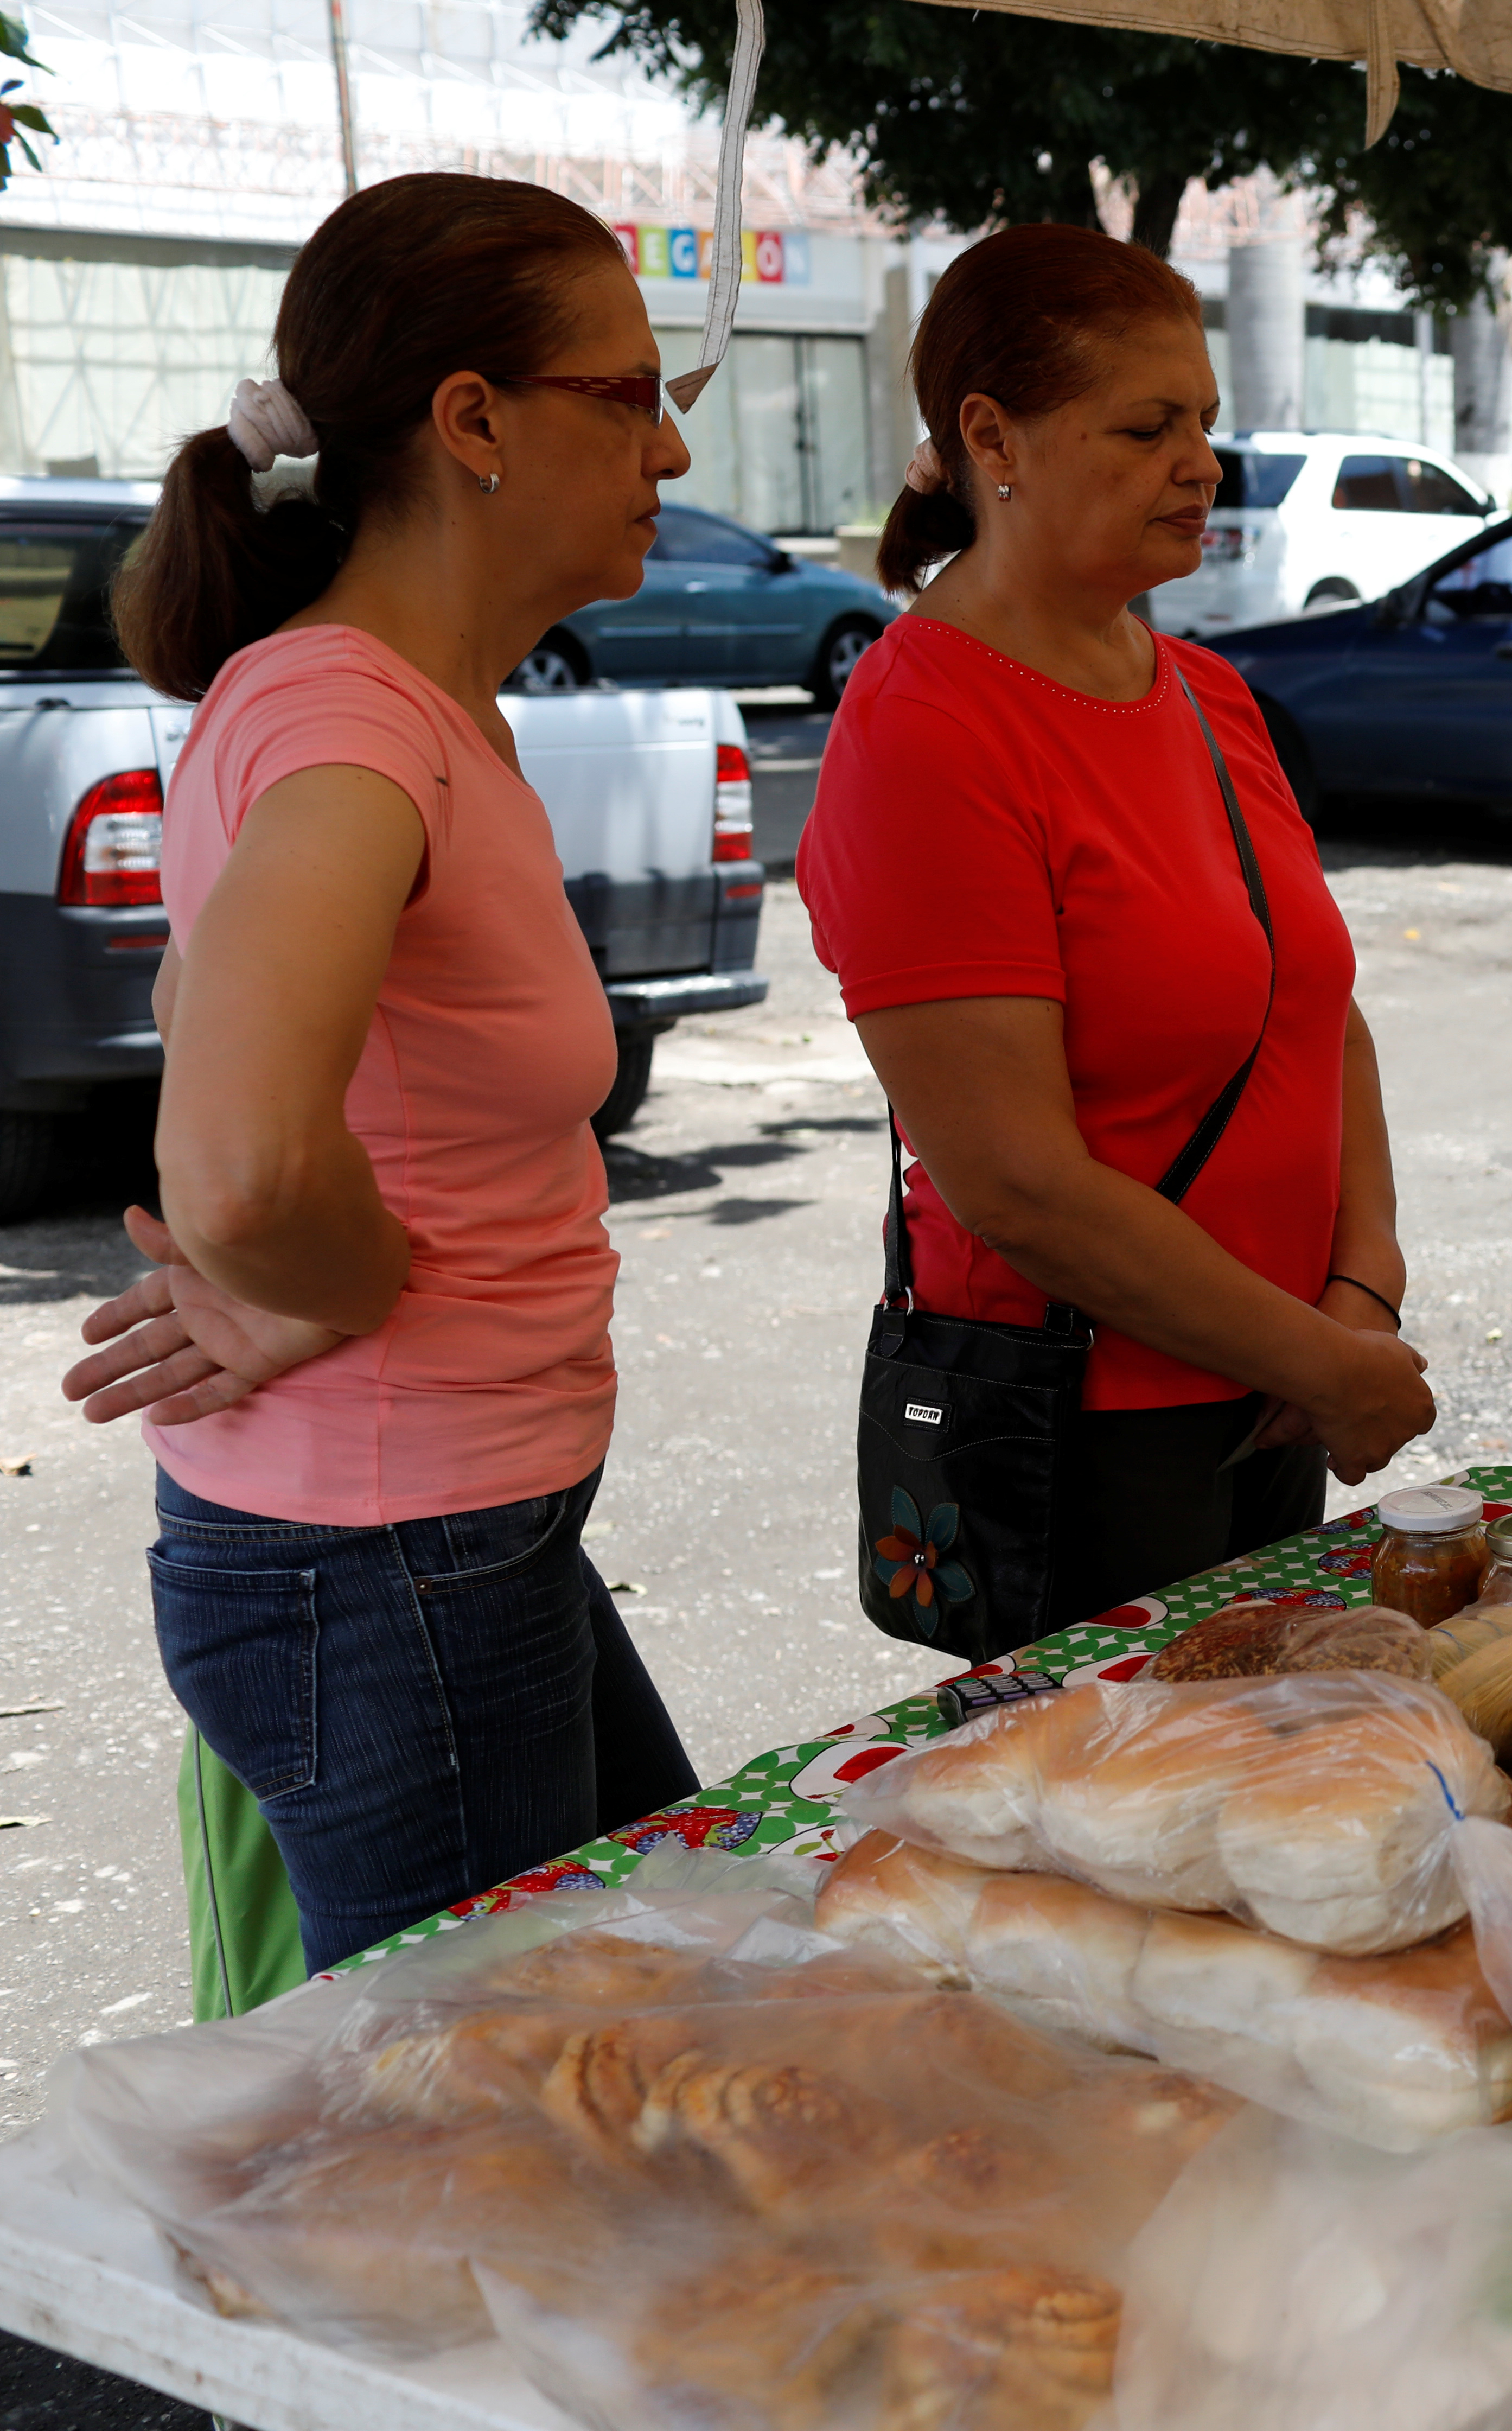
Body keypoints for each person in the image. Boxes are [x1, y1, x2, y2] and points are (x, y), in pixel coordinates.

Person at [61, 174, 700, 1972]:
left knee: (648, 1989)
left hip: (433, 1539)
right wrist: (309, 1292)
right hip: (390, 1558)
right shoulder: (351, 717)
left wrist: (309, 1279)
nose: (663, 451)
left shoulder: (382, 705)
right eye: (631, 392)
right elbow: (248, 1164)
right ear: (473, 420)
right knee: (468, 2147)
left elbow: (204, 986)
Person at [799, 225, 1432, 1624]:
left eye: (1204, 421)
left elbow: (1314, 1012)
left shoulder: (1209, 692)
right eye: (1148, 427)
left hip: (1279, 1390)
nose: (1201, 463)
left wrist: (1360, 1290)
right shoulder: (927, 726)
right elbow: (1016, 1183)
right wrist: (1325, 1362)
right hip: (1080, 1429)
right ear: (992, 439)